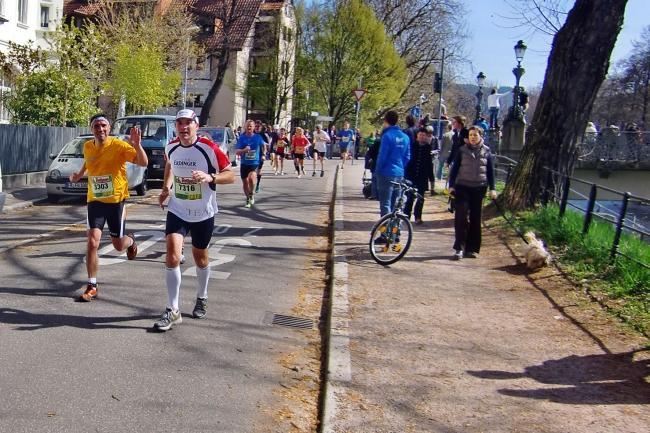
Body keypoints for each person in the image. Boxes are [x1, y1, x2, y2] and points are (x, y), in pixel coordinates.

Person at [153, 109, 235, 331]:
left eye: (188, 123)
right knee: (172, 253)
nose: (183, 127)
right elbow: (171, 164)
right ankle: (172, 310)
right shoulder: (171, 146)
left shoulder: (208, 148)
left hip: (203, 212)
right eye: (180, 123)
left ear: (196, 126)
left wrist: (210, 177)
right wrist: (165, 188)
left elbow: (230, 174)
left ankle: (202, 295)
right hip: (178, 209)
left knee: (200, 258)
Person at [69, 113, 148, 302]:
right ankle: (92, 285)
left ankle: (130, 241)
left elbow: (143, 162)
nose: (100, 129)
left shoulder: (119, 145)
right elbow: (89, 162)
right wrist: (79, 175)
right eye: (96, 126)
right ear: (91, 129)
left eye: (104, 125)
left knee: (118, 245)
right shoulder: (88, 146)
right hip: (95, 201)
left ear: (109, 128)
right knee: (92, 242)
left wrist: (137, 145)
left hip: (115, 202)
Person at [448, 125, 497, 260]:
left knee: (475, 218)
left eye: (475, 135)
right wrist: (451, 186)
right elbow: (454, 169)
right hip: (462, 187)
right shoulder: (462, 151)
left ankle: (471, 248)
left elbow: (490, 171)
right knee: (461, 217)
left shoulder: (487, 151)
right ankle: (459, 248)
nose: (473, 138)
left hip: (479, 188)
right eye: (470, 135)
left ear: (481, 136)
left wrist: (493, 188)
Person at [375, 110, 410, 217]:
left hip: (386, 173)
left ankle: (385, 230)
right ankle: (395, 229)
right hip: (399, 173)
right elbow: (407, 157)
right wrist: (400, 167)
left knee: (385, 203)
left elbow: (382, 156)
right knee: (396, 204)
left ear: (386, 121)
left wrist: (377, 170)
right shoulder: (405, 137)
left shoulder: (387, 136)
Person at [404, 127, 435, 224]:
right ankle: (406, 216)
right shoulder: (412, 145)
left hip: (422, 176)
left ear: (426, 137)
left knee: (420, 198)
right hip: (411, 175)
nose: (422, 137)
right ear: (417, 136)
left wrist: (431, 178)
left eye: (424, 135)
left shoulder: (428, 147)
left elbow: (429, 164)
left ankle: (418, 216)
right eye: (420, 135)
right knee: (410, 197)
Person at [236, 119, 265, 208]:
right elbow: (237, 151)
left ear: (253, 128)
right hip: (244, 163)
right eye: (248, 126)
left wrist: (263, 154)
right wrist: (244, 150)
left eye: (251, 126)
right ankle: (248, 198)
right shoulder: (242, 138)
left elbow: (263, 145)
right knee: (245, 183)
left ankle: (251, 193)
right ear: (245, 127)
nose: (249, 127)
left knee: (252, 179)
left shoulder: (258, 137)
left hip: (254, 162)